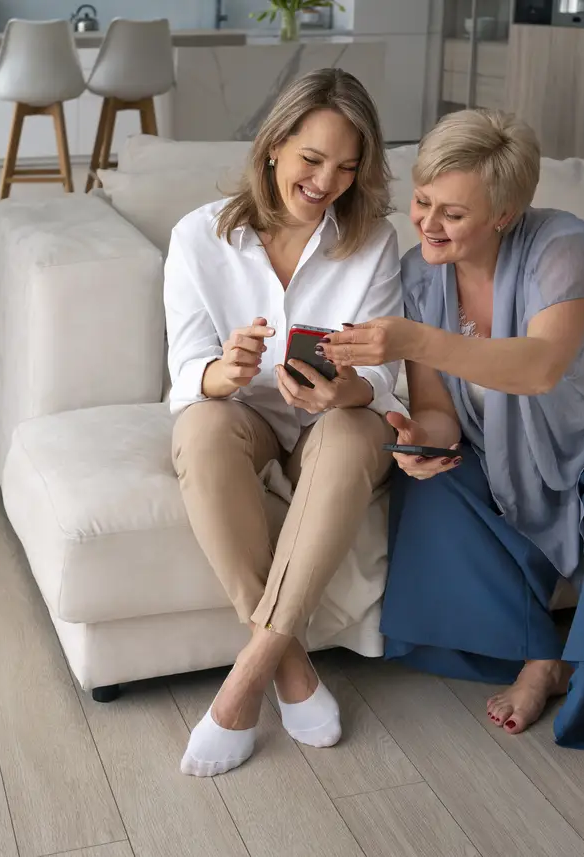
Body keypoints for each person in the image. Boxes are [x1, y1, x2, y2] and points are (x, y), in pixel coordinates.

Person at [321, 108, 584, 847]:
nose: (427, 224)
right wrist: (419, 440)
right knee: (429, 483)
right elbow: (438, 410)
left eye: (452, 212)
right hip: (507, 446)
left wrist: (412, 338)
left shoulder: (563, 246)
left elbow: (539, 365)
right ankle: (542, 653)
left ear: (506, 213)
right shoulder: (417, 278)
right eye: (423, 201)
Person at [165, 68, 404, 778]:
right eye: (311, 159)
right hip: (246, 422)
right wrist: (224, 371)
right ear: (273, 146)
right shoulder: (199, 236)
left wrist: (348, 391)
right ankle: (290, 662)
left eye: (346, 167)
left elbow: (388, 381)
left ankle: (245, 680)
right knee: (201, 426)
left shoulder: (373, 242)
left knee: (360, 430)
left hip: (329, 429)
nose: (326, 181)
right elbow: (185, 368)